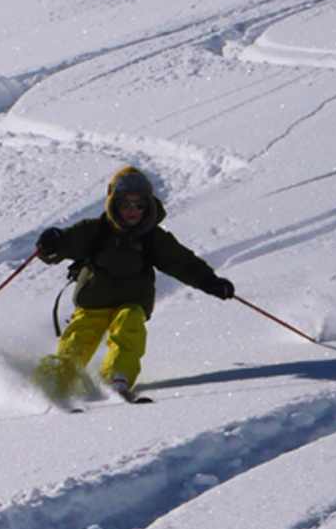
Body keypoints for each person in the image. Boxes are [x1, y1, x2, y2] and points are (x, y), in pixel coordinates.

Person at [34, 166, 233, 403]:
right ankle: (58, 380)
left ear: (148, 206)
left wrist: (210, 282)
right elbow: (62, 245)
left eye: (139, 205)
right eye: (125, 204)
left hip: (133, 300)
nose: (132, 211)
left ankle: (117, 377)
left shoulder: (152, 237)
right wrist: (51, 243)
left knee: (129, 327)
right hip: (93, 301)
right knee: (79, 337)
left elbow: (181, 262)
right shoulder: (95, 230)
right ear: (113, 203)